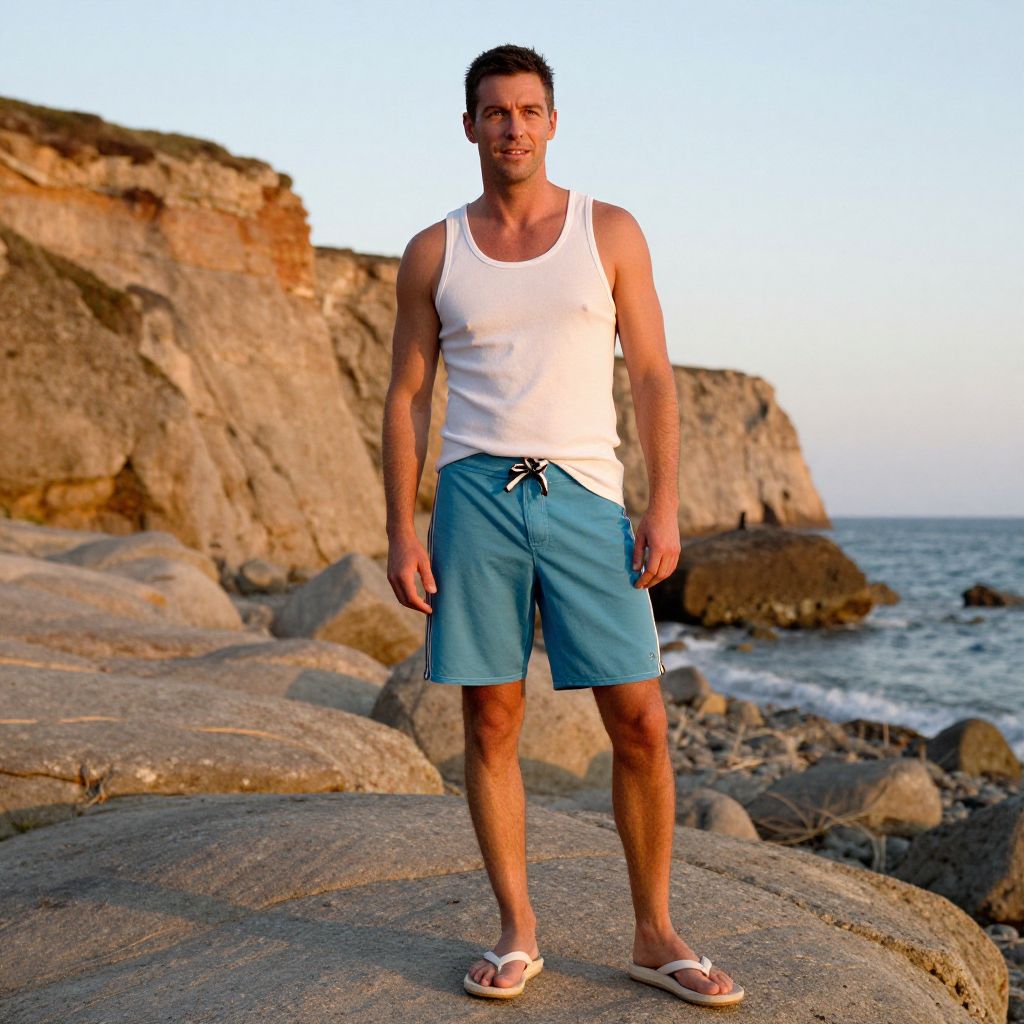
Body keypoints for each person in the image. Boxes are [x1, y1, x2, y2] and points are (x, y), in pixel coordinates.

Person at [382, 44, 743, 1008]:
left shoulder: (609, 231)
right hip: (472, 499)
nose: (512, 127)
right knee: (490, 716)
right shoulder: (435, 249)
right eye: (494, 113)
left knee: (639, 721)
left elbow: (655, 375)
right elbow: (407, 397)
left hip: (586, 500)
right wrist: (401, 530)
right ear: (469, 127)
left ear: (552, 121)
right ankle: (517, 930)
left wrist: (663, 506)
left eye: (529, 111)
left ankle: (655, 933)